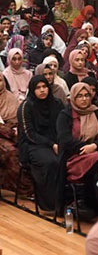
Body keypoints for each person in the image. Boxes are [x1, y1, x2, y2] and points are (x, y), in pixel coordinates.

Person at [58, 82, 98, 209]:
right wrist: (85, 147)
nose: (84, 99)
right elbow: (65, 140)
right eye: (80, 96)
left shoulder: (97, 112)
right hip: (73, 157)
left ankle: (97, 208)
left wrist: (94, 146)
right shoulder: (65, 115)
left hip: (96, 152)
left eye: (87, 95)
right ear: (73, 98)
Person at [17, 74, 63, 210]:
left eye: (44, 87)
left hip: (55, 142)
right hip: (33, 145)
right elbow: (29, 134)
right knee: (51, 162)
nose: (42, 90)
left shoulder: (56, 103)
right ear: (32, 90)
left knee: (66, 161)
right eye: (38, 88)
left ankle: (66, 200)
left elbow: (62, 126)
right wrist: (51, 144)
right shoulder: (26, 106)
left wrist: (60, 143)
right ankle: (50, 204)